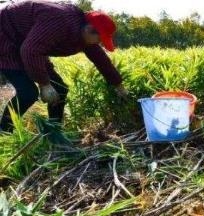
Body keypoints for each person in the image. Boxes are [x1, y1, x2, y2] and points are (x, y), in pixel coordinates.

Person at [0, 0, 128, 133]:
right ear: (89, 29)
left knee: (59, 89)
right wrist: (44, 84)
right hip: (5, 34)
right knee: (28, 93)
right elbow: (30, 50)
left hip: (27, 41)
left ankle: (54, 132)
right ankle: (4, 132)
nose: (100, 43)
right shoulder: (60, 22)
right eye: (100, 39)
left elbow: (101, 59)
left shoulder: (84, 33)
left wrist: (118, 85)